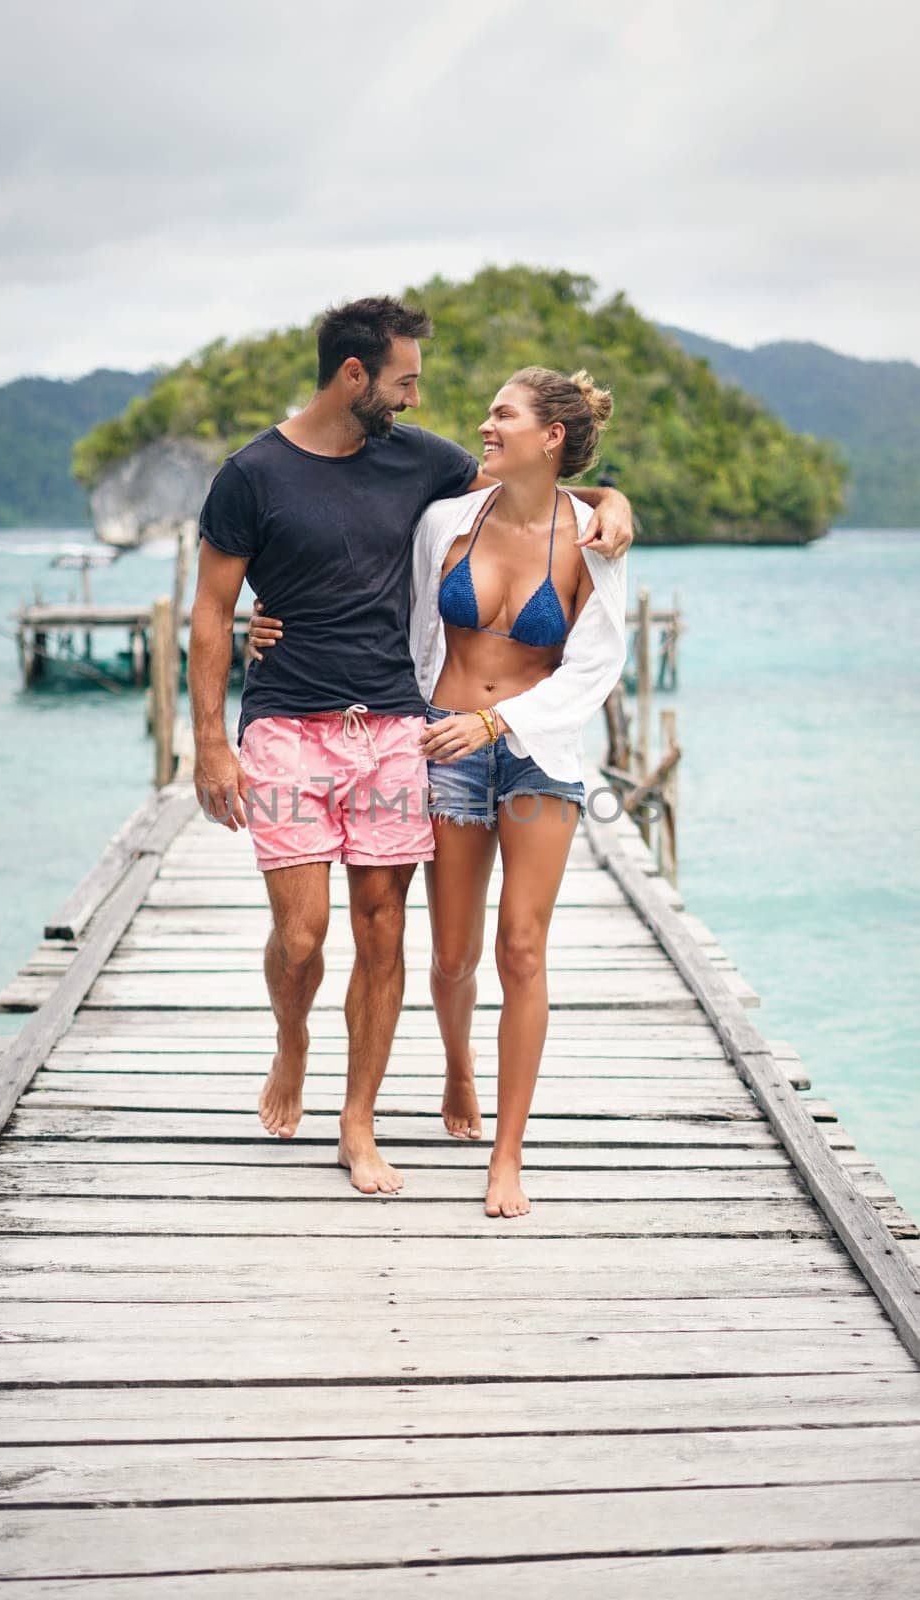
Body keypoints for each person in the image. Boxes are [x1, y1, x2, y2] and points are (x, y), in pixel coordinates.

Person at [192, 296, 633, 1198]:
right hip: (349, 729)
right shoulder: (267, 478)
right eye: (405, 381)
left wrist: (611, 499)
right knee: (334, 939)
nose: (419, 400)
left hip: (456, 737)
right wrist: (223, 708)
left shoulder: (435, 469)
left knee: (438, 937)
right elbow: (226, 605)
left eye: (419, 385)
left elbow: (540, 507)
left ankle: (384, 1128)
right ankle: (310, 1044)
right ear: (354, 376)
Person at [409, 368, 627, 1216]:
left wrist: (498, 726)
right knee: (453, 954)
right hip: (445, 746)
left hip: (538, 757)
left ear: (552, 437)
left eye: (502, 415)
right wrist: (273, 629)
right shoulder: (443, 522)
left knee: (522, 949)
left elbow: (596, 664)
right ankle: (458, 1064)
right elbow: (383, 606)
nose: (484, 425)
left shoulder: (594, 540)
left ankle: (507, 1152)